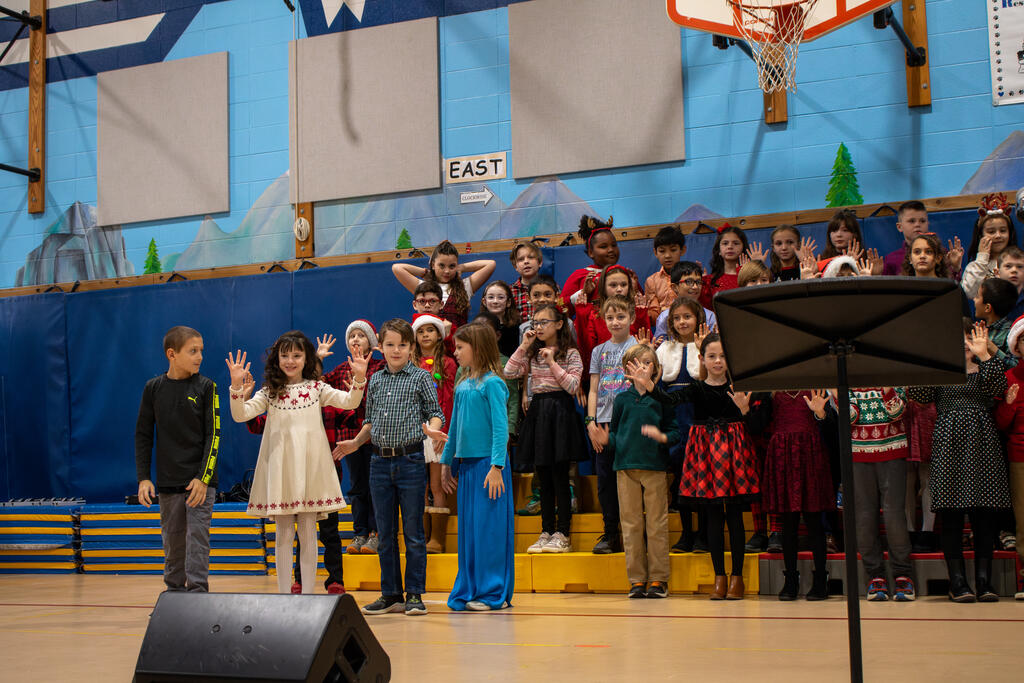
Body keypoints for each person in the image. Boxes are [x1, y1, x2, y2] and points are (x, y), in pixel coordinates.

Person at [226, 331, 366, 595]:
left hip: (310, 470)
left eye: (297, 355)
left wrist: (359, 378)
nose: (290, 361)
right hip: (282, 470)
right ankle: (283, 595)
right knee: (283, 534)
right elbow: (240, 415)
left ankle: (308, 595)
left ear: (307, 359)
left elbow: (350, 402)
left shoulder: (317, 388)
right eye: (285, 355)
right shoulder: (269, 393)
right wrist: (236, 388)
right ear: (276, 359)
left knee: (308, 532)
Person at [640, 333, 770, 600]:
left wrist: (744, 410)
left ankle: (737, 578)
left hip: (734, 455)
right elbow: (670, 399)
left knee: (735, 516)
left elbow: (757, 426)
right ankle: (719, 577)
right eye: (712, 356)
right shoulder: (696, 388)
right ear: (702, 359)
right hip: (707, 455)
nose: (718, 361)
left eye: (722, 356)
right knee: (713, 516)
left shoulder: (738, 388)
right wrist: (650, 385)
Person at [338, 319, 444, 616]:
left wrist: (433, 429)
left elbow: (435, 412)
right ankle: (390, 593)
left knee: (413, 532)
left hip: (410, 462)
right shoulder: (376, 380)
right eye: (390, 345)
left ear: (411, 348)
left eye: (402, 345)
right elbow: (369, 422)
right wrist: (356, 442)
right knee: (385, 533)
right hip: (379, 462)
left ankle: (414, 594)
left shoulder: (421, 377)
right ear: (380, 348)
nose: (396, 350)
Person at [909, 321, 1010, 602]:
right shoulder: (942, 372)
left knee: (984, 517)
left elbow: (999, 388)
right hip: (948, 443)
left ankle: (984, 582)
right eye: (958, 339)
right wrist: (931, 359)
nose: (965, 343)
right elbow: (919, 395)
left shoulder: (987, 367)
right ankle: (957, 582)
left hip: (983, 443)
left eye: (969, 337)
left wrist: (985, 354)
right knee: (951, 516)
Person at [427, 323, 514, 611]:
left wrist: (497, 466)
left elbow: (501, 428)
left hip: (490, 468)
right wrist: (446, 463)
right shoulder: (463, 384)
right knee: (471, 533)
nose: (456, 352)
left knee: (489, 530)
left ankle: (493, 592)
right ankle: (471, 587)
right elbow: (455, 427)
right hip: (466, 469)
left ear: (477, 348)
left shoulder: (493, 383)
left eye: (461, 347)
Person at [135, 326, 219, 593]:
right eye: (193, 351)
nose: (200, 357)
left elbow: (214, 436)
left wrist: (203, 478)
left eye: (201, 351)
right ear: (172, 354)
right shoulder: (153, 388)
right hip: (168, 482)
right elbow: (143, 435)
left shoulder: (207, 387)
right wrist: (143, 477)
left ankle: (197, 596)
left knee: (197, 541)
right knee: (173, 543)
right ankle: (173, 595)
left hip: (199, 484)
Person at [591, 344, 678, 598]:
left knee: (657, 524)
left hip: (654, 468)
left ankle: (659, 579)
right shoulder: (622, 400)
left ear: (656, 369)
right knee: (631, 525)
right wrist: (607, 440)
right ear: (627, 370)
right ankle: (637, 580)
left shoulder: (661, 399)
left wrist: (661, 437)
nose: (642, 368)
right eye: (637, 363)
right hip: (625, 468)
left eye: (648, 363)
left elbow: (675, 432)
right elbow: (617, 434)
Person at [819, 384, 915, 602]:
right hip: (858, 453)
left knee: (894, 516)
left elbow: (897, 412)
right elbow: (851, 417)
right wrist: (838, 395)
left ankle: (903, 574)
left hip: (892, 450)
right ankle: (875, 575)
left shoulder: (894, 376)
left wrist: (887, 390)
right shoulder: (851, 379)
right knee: (864, 516)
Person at [505, 303, 586, 553]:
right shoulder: (532, 353)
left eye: (544, 322)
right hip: (539, 411)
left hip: (560, 411)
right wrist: (524, 345)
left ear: (559, 324)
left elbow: (572, 386)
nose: (538, 327)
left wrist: (552, 362)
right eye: (535, 323)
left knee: (560, 475)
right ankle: (546, 531)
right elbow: (509, 371)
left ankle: (563, 533)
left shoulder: (570, 353)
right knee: (543, 476)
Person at [324, 321, 387, 557]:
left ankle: (376, 533)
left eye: (362, 335)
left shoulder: (380, 367)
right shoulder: (342, 369)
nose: (356, 339)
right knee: (358, 487)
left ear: (371, 341)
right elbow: (317, 384)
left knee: (375, 486)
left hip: (375, 437)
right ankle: (359, 532)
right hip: (349, 438)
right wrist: (319, 358)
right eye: (352, 336)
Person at [766, 389, 834, 601]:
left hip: (809, 454)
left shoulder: (815, 391)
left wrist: (820, 414)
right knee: (788, 523)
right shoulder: (772, 394)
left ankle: (820, 579)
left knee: (814, 522)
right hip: (783, 455)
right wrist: (744, 410)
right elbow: (758, 425)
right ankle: (790, 579)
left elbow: (832, 428)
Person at [585, 295, 639, 554]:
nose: (615, 322)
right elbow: (593, 389)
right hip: (604, 423)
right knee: (605, 481)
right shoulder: (599, 351)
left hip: (631, 422)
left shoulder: (637, 346)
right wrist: (591, 421)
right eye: (610, 317)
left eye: (621, 316)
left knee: (632, 479)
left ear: (632, 317)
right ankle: (610, 533)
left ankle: (635, 535)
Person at [656, 297, 707, 553]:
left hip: (699, 415)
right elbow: (657, 385)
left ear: (698, 319)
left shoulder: (706, 346)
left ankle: (704, 534)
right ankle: (686, 533)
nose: (682, 322)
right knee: (682, 477)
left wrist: (702, 351)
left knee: (703, 477)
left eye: (687, 316)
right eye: (676, 318)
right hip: (675, 417)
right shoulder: (665, 349)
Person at [411, 313, 458, 554]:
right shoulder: (410, 364)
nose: (425, 335)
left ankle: (437, 539)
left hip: (438, 432)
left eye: (430, 330)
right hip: (414, 433)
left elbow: (449, 401)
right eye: (420, 331)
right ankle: (420, 538)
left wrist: (443, 432)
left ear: (439, 335)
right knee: (419, 487)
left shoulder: (448, 363)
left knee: (437, 485)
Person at [392, 239, 496, 328]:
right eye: (441, 266)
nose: (447, 271)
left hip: (457, 344)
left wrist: (462, 268)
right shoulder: (424, 288)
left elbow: (490, 264)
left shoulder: (465, 286)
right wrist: (425, 273)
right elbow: (397, 268)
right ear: (433, 265)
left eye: (452, 266)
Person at [994, 314, 1024, 600]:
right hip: (1019, 457)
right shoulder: (1010, 378)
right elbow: (1001, 424)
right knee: (1023, 521)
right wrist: (1010, 405)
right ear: (1017, 345)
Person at [575, 264, 651, 375]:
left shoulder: (637, 311)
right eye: (613, 285)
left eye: (624, 285)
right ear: (603, 288)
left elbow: (646, 345)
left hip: (633, 375)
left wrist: (641, 317)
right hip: (604, 374)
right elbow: (587, 351)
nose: (619, 289)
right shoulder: (595, 315)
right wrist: (582, 317)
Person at [901, 233, 972, 317]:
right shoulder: (903, 291)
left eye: (928, 252)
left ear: (938, 258)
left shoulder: (951, 289)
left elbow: (965, 321)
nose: (922, 256)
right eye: (917, 252)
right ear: (910, 258)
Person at [962, 194, 1018, 299]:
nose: (998, 236)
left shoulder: (1019, 263)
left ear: (1010, 233)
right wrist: (982, 259)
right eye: (991, 232)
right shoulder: (975, 266)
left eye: (1003, 231)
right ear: (981, 235)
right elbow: (968, 293)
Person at [653, 262, 717, 340]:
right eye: (689, 282)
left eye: (698, 282)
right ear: (674, 287)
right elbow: (659, 345)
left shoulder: (710, 316)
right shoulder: (665, 316)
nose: (695, 287)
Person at [973, 277, 1019, 370]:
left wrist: (989, 346)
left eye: (977, 296)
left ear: (987, 308)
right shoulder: (978, 327)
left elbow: (1015, 366)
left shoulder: (1010, 332)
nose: (974, 299)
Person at [699, 225, 748, 309]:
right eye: (725, 243)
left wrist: (755, 270)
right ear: (719, 250)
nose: (730, 247)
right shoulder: (709, 280)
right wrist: (700, 285)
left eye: (736, 243)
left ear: (743, 248)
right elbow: (706, 310)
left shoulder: (750, 277)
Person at [645, 225, 687, 321]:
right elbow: (654, 315)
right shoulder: (651, 281)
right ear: (655, 252)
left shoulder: (690, 276)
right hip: (664, 326)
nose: (667, 255)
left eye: (673, 250)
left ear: (682, 250)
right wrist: (642, 311)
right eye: (662, 251)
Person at [478, 280, 522, 358]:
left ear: (508, 302)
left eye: (500, 297)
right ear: (484, 302)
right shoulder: (477, 327)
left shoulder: (517, 328)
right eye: (491, 297)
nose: (495, 301)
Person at [509, 241, 544, 321]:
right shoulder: (510, 292)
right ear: (515, 266)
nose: (526, 261)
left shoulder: (550, 287)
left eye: (531, 257)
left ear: (540, 262)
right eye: (521, 259)